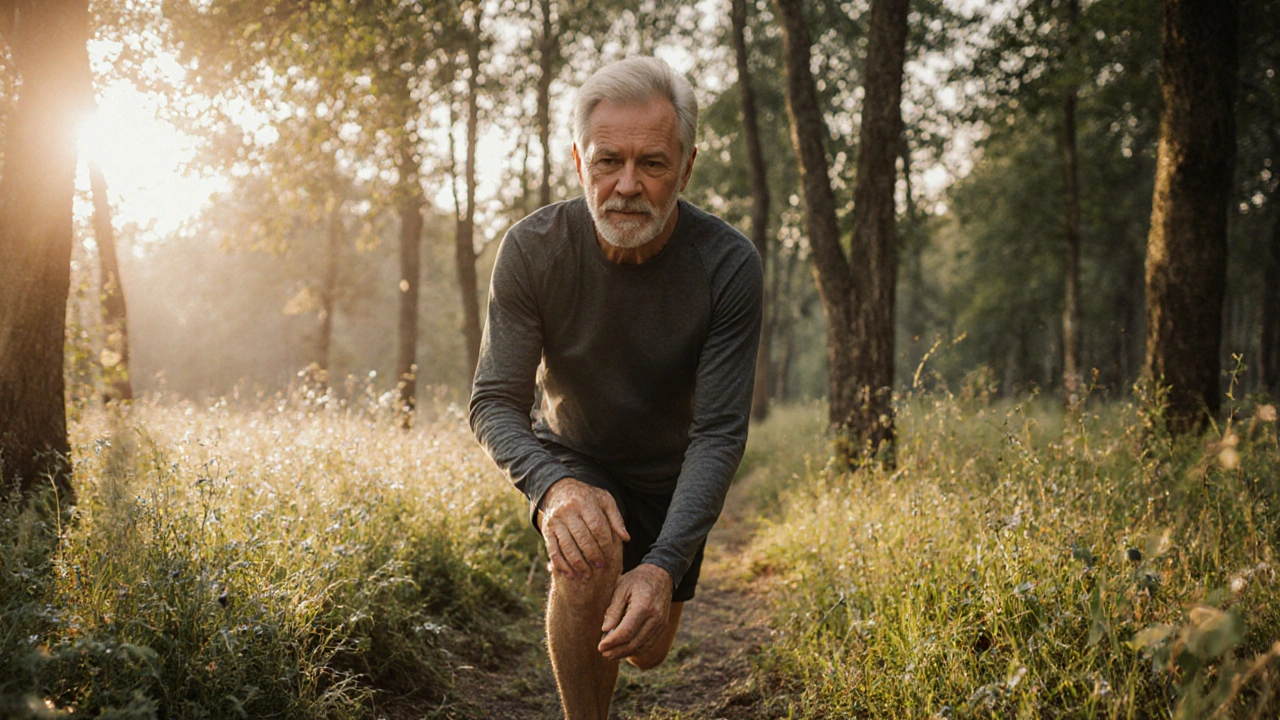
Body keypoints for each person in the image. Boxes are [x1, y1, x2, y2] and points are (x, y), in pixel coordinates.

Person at [468, 56, 763, 720]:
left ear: (685, 168)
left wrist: (660, 567)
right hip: (576, 453)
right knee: (587, 548)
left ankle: (647, 585)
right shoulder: (531, 249)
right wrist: (552, 489)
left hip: (672, 472)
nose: (627, 185)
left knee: (647, 651)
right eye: (608, 162)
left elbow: (718, 433)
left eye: (652, 164)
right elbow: (493, 401)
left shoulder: (728, 265)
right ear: (579, 161)